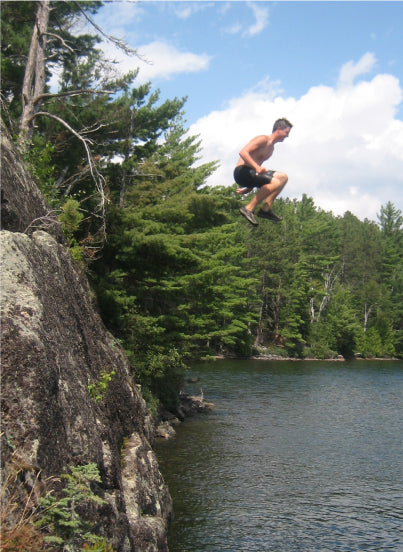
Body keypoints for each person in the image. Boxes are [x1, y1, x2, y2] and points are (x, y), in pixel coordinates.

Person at [234, 118, 292, 226]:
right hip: (241, 171)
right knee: (275, 182)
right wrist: (256, 167)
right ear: (278, 129)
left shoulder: (271, 149)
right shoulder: (262, 139)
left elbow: (258, 171)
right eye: (286, 132)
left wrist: (249, 187)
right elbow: (243, 152)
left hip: (251, 173)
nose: (287, 136)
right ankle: (248, 209)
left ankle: (265, 209)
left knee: (283, 177)